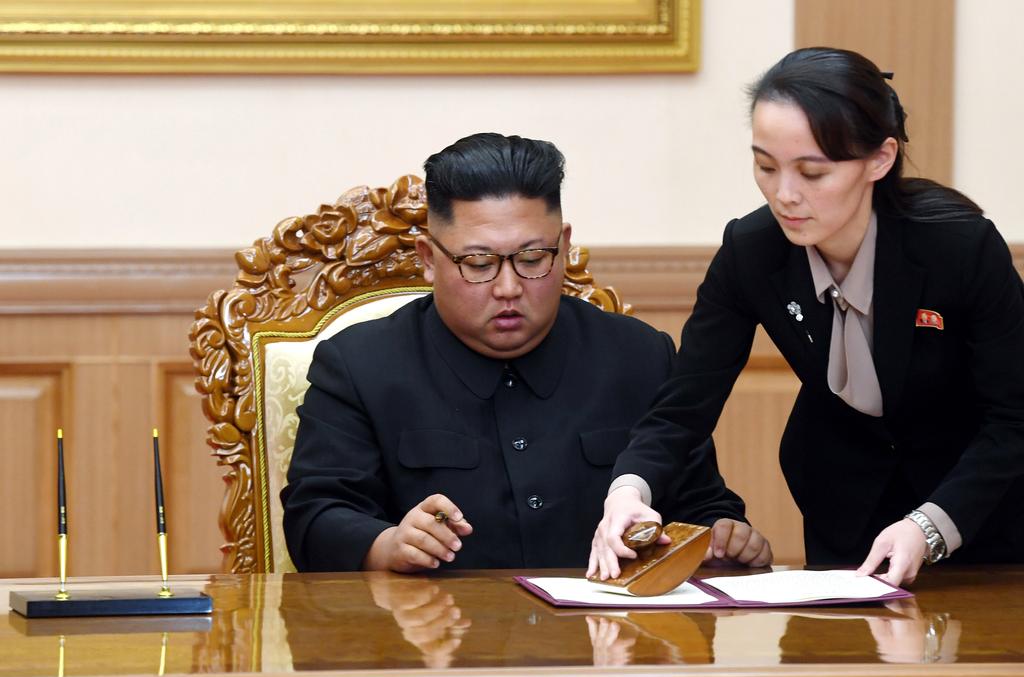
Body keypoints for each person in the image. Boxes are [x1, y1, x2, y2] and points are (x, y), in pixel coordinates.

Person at [590, 47, 1024, 587]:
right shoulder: (751, 251)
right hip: (843, 506)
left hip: (981, 514)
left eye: (812, 172)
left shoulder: (960, 250)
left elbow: (1013, 418)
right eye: (765, 166)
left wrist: (930, 527)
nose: (784, 195)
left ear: (880, 160)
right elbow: (683, 408)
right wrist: (629, 492)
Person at [282, 132, 772, 572]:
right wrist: (388, 543)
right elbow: (314, 519)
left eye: (533, 259)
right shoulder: (359, 366)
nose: (509, 287)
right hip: (434, 650)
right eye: (479, 263)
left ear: (564, 247)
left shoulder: (640, 357)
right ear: (428, 259)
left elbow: (702, 506)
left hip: (605, 648)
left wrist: (726, 534)